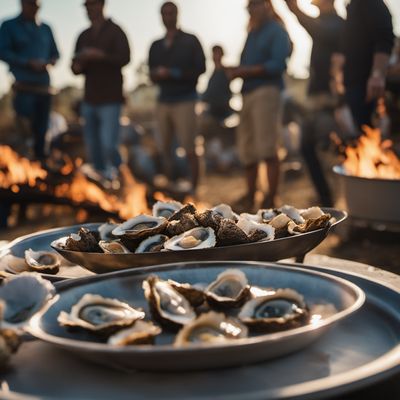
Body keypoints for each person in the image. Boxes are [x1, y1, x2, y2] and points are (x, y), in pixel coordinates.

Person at [227, 0, 291, 210]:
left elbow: (278, 64)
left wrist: (244, 71)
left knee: (267, 147)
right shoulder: (252, 32)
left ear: (267, 5)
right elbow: (248, 64)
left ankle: (271, 198)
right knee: (248, 149)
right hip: (247, 93)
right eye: (250, 6)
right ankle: (251, 196)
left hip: (267, 91)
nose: (252, 9)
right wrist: (237, 70)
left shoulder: (276, 30)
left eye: (256, 4)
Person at [285, 0, 344, 206]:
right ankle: (326, 199)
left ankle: (340, 201)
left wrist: (293, 7)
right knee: (307, 148)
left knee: (330, 152)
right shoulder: (325, 23)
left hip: (330, 101)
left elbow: (318, 31)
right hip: (316, 101)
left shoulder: (337, 24)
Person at [149, 1, 206, 194]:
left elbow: (201, 68)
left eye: (171, 13)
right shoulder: (156, 45)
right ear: (161, 17)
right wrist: (158, 74)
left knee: (189, 146)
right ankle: (170, 186)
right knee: (164, 147)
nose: (168, 17)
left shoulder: (191, 40)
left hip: (186, 99)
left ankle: (194, 188)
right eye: (164, 13)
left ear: (177, 14)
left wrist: (173, 73)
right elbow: (151, 74)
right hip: (163, 100)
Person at [72, 0, 130, 183]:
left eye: (93, 5)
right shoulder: (83, 35)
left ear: (102, 5)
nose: (90, 9)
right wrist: (81, 62)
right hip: (89, 98)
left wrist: (100, 56)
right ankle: (102, 183)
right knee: (93, 146)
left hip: (111, 98)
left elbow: (125, 58)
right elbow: (74, 68)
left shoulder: (116, 31)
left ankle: (123, 180)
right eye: (87, 6)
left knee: (109, 145)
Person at [0, 0, 60, 163]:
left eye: (37, 5)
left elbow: (56, 54)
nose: (34, 8)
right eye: (30, 4)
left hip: (44, 88)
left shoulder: (46, 28)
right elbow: (3, 51)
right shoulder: (9, 26)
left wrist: (48, 62)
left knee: (42, 131)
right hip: (23, 87)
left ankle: (40, 168)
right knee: (24, 131)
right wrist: (28, 62)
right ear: (22, 4)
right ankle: (22, 166)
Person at [331, 0, 394, 130]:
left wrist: (377, 75)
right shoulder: (353, 7)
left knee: (369, 134)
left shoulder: (369, 2)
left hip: (366, 86)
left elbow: (384, 38)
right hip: (352, 85)